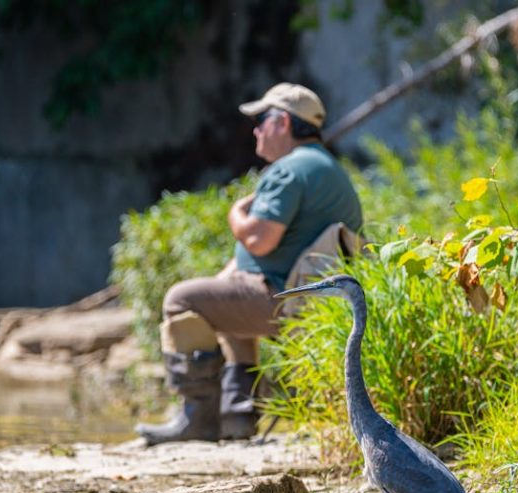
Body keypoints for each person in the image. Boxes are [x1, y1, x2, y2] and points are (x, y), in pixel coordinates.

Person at [135, 82, 363, 445]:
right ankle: (238, 416)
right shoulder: (328, 169)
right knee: (223, 302)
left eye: (262, 120)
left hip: (282, 299)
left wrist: (235, 213)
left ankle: (198, 419)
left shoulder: (291, 170)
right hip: (309, 301)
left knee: (181, 299)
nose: (256, 130)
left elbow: (259, 238)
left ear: (284, 124)